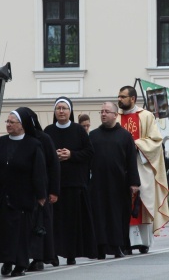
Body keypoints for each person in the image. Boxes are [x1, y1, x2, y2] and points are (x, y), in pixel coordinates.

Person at [0, 108, 47, 277]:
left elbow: (39, 171)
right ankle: (7, 260)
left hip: (23, 196)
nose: (9, 125)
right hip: (1, 196)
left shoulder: (33, 144)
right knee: (4, 232)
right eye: (8, 122)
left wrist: (41, 195)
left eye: (12, 122)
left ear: (22, 125)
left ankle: (20, 263)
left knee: (21, 233)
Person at [116, 85, 169, 253]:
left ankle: (143, 242)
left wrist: (134, 144)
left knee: (143, 201)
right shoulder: (115, 117)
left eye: (123, 97)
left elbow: (155, 141)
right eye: (118, 96)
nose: (119, 99)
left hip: (141, 165)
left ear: (132, 99)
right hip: (120, 168)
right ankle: (125, 241)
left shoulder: (146, 116)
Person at [44, 97, 96, 265]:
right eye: (58, 108)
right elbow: (42, 154)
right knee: (55, 222)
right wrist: (54, 156)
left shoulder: (78, 130)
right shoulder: (48, 131)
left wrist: (71, 155)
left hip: (74, 183)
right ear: (54, 111)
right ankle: (54, 253)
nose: (61, 111)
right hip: (55, 184)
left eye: (64, 108)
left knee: (71, 222)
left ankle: (71, 253)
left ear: (70, 111)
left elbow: (89, 152)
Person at [89, 102, 140, 259]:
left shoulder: (125, 136)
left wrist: (134, 183)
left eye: (107, 111)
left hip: (119, 183)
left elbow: (131, 161)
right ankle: (100, 246)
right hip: (97, 183)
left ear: (115, 115)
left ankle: (118, 245)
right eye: (101, 111)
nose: (103, 114)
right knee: (99, 214)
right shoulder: (93, 135)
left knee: (117, 215)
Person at [23, 108, 60, 272]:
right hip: (22, 189)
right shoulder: (18, 138)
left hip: (42, 189)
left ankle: (40, 257)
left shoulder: (44, 138)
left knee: (40, 224)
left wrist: (53, 190)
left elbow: (54, 165)